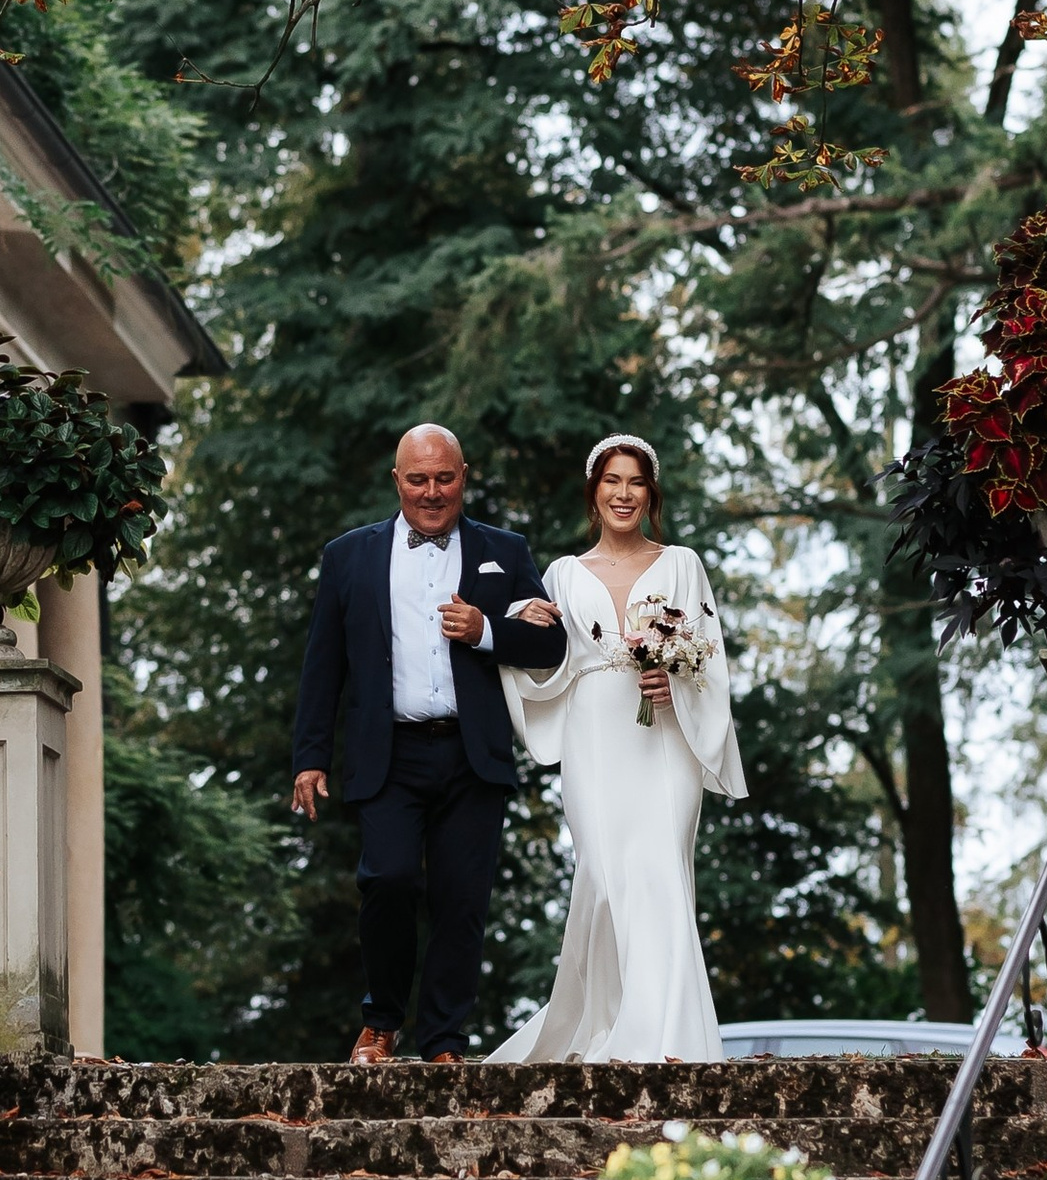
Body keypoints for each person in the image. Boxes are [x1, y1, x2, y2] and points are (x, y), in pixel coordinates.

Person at [291, 424, 565, 1062]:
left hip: (473, 754)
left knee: (461, 899)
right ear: (398, 481)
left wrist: (486, 629)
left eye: (444, 478)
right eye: (418, 479)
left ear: (464, 476)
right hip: (388, 753)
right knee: (386, 881)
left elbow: (552, 643)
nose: (432, 492)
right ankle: (381, 1023)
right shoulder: (348, 556)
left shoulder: (505, 551)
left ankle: (444, 1040)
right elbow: (322, 664)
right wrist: (309, 757)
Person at [488, 430, 746, 1064]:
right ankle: (605, 1022)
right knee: (604, 880)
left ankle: (668, 1039)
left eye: (636, 482)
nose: (624, 494)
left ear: (650, 493)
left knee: (660, 872)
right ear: (594, 492)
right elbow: (548, 662)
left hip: (666, 737)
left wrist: (675, 682)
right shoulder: (562, 574)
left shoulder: (681, 563)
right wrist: (522, 624)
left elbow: (709, 657)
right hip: (593, 734)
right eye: (612, 481)